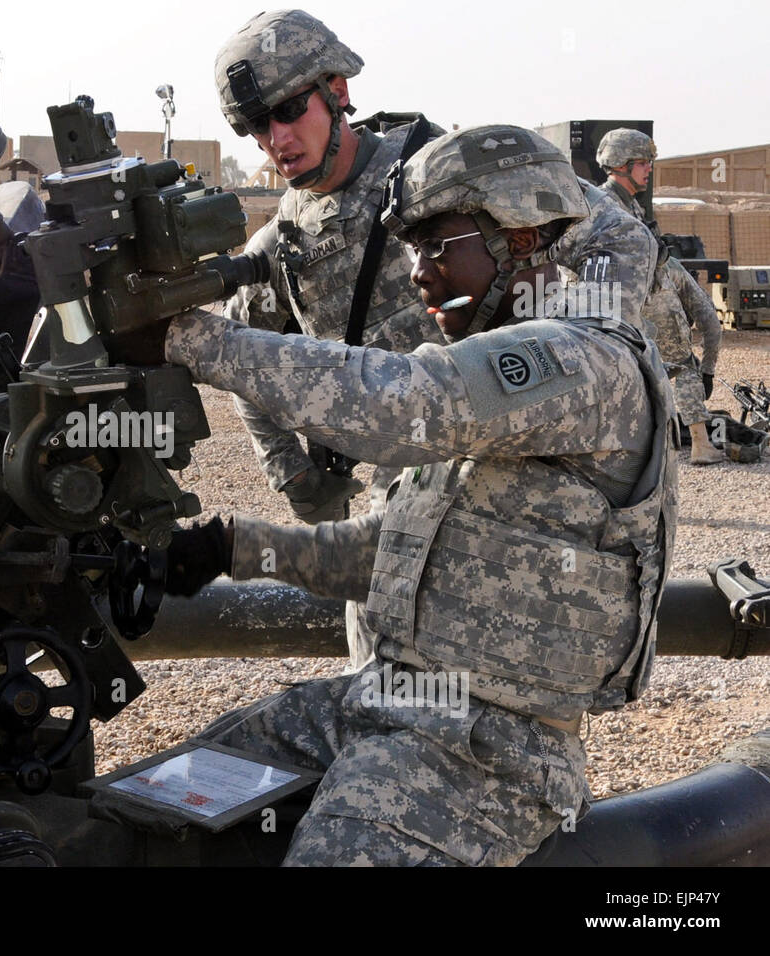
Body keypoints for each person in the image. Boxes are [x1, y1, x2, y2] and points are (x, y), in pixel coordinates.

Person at [161, 125, 678, 866]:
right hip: (388, 706)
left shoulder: (583, 361)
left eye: (439, 245)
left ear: (523, 237)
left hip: (493, 752)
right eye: (410, 251)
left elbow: (402, 404)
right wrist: (233, 546)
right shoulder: (490, 385)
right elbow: (388, 556)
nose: (418, 275)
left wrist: (190, 340)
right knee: (158, 806)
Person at [213, 8, 445, 524]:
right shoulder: (282, 240)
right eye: (257, 124)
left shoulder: (432, 170)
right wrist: (291, 471)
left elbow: (597, 230)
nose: (277, 139)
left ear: (336, 92)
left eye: (291, 109)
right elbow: (239, 352)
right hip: (399, 468)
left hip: (487, 435)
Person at [596, 127, 724, 464]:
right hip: (642, 299)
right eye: (643, 162)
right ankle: (699, 444)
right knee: (680, 365)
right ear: (622, 164)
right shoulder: (608, 205)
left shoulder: (623, 203)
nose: (649, 168)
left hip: (632, 298)